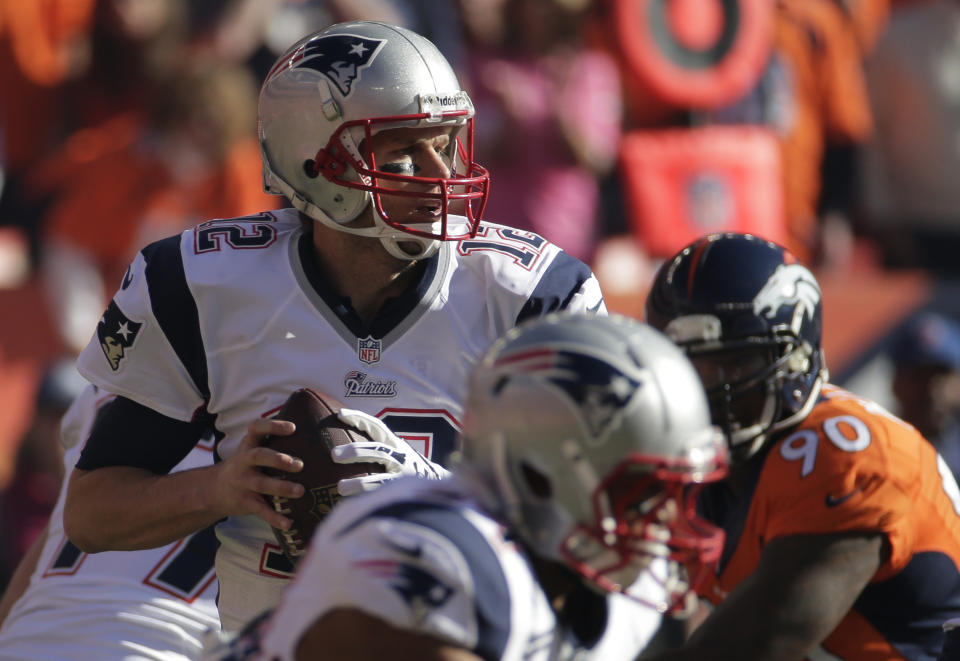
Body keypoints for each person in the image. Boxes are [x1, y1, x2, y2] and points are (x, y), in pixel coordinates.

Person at [63, 19, 607, 633]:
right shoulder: (203, 286)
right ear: (313, 163)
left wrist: (435, 497)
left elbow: (594, 526)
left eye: (448, 141)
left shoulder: (530, 295)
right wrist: (223, 488)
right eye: (402, 150)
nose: (441, 173)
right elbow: (91, 512)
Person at [201, 312, 729, 661]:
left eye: (673, 493)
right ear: (541, 477)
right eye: (641, 493)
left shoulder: (627, 572)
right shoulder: (432, 557)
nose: (663, 521)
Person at [643, 232, 960, 660]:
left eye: (733, 365)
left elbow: (754, 646)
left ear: (795, 360)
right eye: (688, 367)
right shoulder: (694, 465)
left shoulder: (845, 451)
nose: (707, 393)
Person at [0, 383, 220, 660]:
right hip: (158, 646)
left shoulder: (113, 379)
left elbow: (50, 545)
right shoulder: (277, 406)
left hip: (29, 639)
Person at [889, 312, 960, 480]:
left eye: (941, 376)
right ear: (897, 383)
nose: (933, 389)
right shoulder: (879, 444)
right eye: (919, 377)